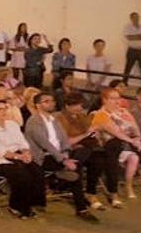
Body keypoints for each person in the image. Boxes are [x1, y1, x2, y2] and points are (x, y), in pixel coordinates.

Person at [24, 93, 100, 222]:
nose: (51, 103)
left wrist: (66, 155)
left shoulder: (54, 120)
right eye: (46, 101)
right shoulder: (34, 121)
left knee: (88, 159)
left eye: (52, 100)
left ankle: (64, 176)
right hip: (43, 157)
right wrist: (64, 160)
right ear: (38, 105)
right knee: (74, 170)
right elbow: (45, 144)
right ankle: (81, 208)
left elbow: (64, 140)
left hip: (59, 154)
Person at [0, 100, 46, 219]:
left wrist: (26, 153)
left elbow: (22, 142)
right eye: (0, 109)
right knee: (22, 174)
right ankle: (17, 206)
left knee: (37, 170)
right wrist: (19, 157)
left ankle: (33, 202)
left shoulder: (12, 125)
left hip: (17, 156)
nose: (4, 111)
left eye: (5, 108)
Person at [91, 88, 141, 205]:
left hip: (126, 144)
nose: (116, 101)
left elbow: (135, 127)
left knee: (133, 145)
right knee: (114, 147)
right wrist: (132, 140)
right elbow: (115, 132)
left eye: (118, 98)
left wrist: (138, 138)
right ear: (104, 100)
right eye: (112, 98)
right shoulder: (100, 114)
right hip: (108, 146)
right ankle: (113, 193)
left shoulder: (123, 111)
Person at [55, 93, 108, 210]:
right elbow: (65, 141)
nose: (80, 108)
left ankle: (90, 192)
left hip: (84, 149)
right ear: (67, 106)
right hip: (67, 150)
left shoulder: (81, 117)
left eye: (81, 105)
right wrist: (85, 134)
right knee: (82, 154)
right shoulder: (59, 117)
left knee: (98, 160)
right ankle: (79, 195)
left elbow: (90, 133)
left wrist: (93, 133)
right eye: (77, 105)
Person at [122, 12, 141, 87]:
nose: (136, 18)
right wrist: (139, 36)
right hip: (132, 50)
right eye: (134, 17)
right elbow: (129, 38)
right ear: (131, 18)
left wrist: (134, 36)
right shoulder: (127, 27)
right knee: (128, 68)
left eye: (137, 17)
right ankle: (124, 83)